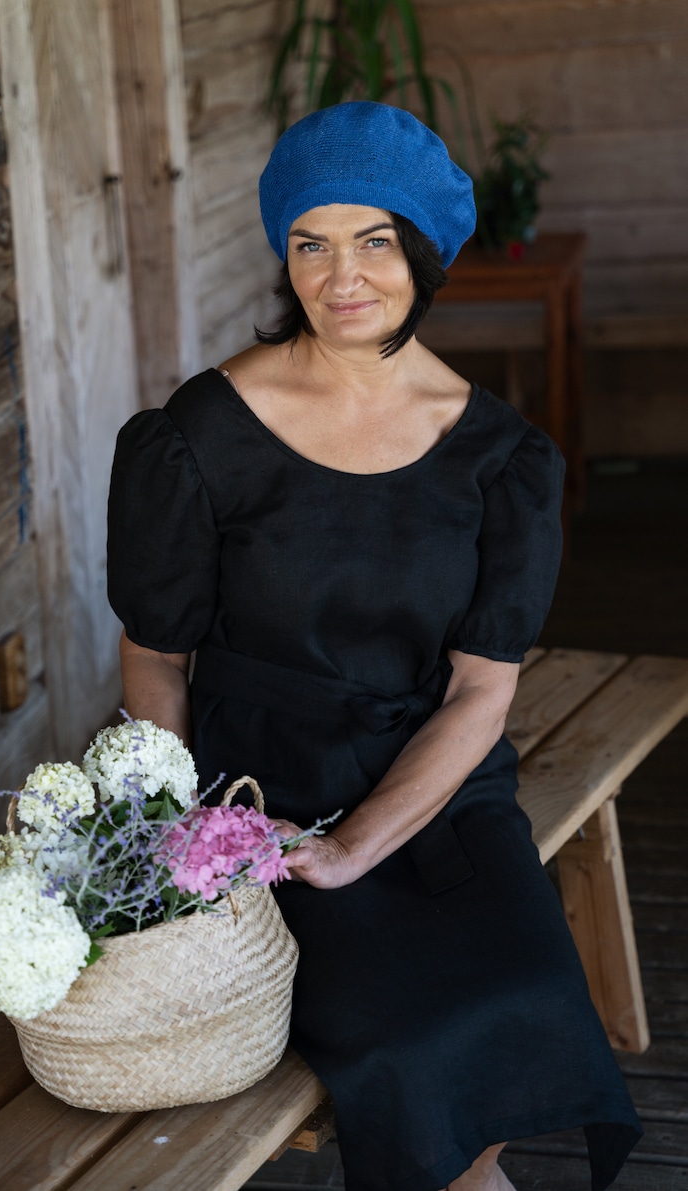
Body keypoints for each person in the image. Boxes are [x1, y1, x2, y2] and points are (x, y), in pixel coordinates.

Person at [107, 102, 642, 1191]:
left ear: (422, 252)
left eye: (374, 239)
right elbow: (154, 659)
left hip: (432, 789)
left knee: (521, 997)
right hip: (255, 798)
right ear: (282, 252)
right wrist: (183, 835)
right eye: (310, 240)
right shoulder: (196, 438)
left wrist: (359, 849)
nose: (340, 274)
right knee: (407, 1048)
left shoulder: (500, 460)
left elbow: (481, 694)